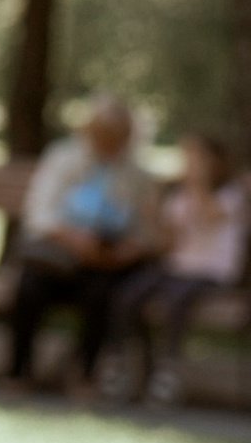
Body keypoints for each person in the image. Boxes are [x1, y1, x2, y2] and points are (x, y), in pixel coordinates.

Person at [7, 99, 163, 389]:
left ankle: (85, 374)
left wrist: (124, 251)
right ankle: (18, 371)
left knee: (102, 293)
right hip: (59, 254)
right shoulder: (63, 159)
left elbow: (147, 233)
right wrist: (72, 239)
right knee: (29, 287)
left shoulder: (136, 175)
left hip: (105, 261)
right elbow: (40, 212)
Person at [100, 128, 246, 406]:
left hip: (212, 272)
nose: (189, 164)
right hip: (178, 267)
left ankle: (169, 371)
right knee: (130, 293)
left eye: (197, 158)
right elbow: (167, 247)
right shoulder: (178, 195)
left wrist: (198, 183)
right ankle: (126, 364)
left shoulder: (230, 194)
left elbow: (209, 217)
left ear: (214, 161)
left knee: (176, 300)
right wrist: (155, 218)